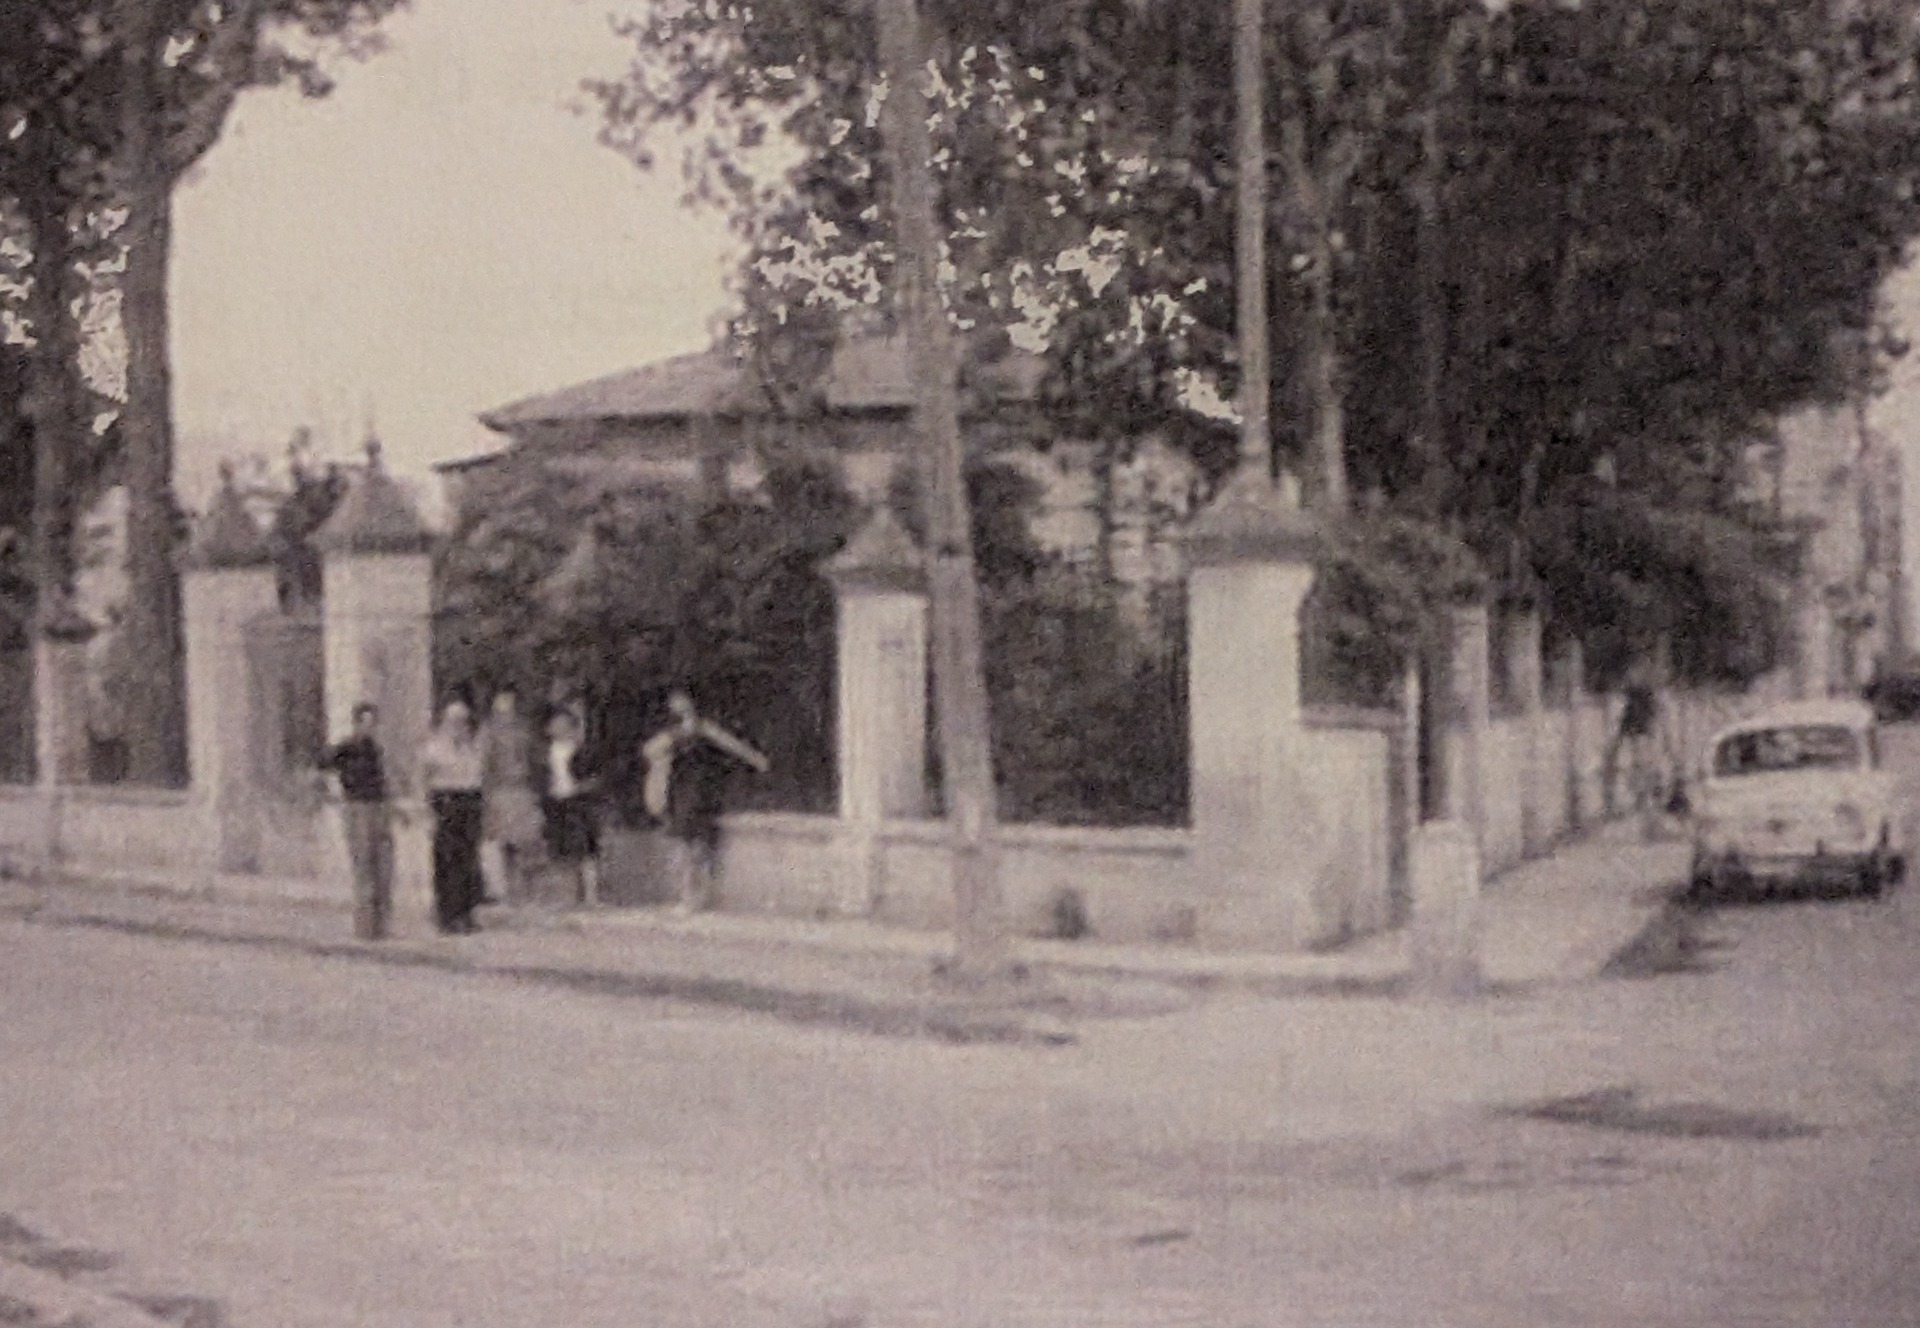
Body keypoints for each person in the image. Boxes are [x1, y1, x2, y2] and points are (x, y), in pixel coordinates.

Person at [641, 688, 769, 915]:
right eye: (675, 701)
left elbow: (730, 743)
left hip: (699, 789)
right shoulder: (672, 732)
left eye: (682, 700)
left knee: (693, 842)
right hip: (678, 788)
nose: (679, 705)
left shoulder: (702, 727)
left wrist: (754, 758)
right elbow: (649, 751)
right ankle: (690, 895)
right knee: (686, 842)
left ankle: (693, 896)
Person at [318, 702, 398, 941]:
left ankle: (382, 926)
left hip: (378, 807)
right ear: (357, 724)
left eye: (373, 723)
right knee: (363, 867)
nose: (370, 728)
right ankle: (365, 927)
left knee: (383, 867)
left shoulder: (376, 750)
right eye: (365, 722)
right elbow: (321, 766)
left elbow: (384, 780)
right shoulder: (346, 748)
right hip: (357, 808)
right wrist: (331, 794)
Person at [422, 696, 486, 934]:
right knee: (448, 859)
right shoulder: (435, 747)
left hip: (469, 801)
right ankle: (447, 914)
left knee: (469, 859)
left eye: (463, 721)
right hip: (446, 801)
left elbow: (479, 776)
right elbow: (425, 778)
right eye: (454, 721)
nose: (459, 726)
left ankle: (467, 912)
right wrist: (428, 810)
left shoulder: (473, 747)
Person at [480, 687, 543, 905]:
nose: (507, 712)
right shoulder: (488, 734)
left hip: (522, 791)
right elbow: (484, 767)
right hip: (500, 791)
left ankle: (527, 892)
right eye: (502, 707)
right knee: (502, 842)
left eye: (510, 706)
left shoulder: (524, 732)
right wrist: (487, 795)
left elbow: (533, 762)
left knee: (527, 842)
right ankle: (505, 891)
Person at [537, 705, 601, 906]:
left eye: (564, 725)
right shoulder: (544, 754)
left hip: (579, 802)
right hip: (555, 802)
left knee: (586, 849)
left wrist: (583, 787)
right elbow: (539, 779)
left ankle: (591, 895)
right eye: (555, 725)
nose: (559, 729)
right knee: (562, 849)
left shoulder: (584, 751)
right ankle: (569, 895)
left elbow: (596, 777)